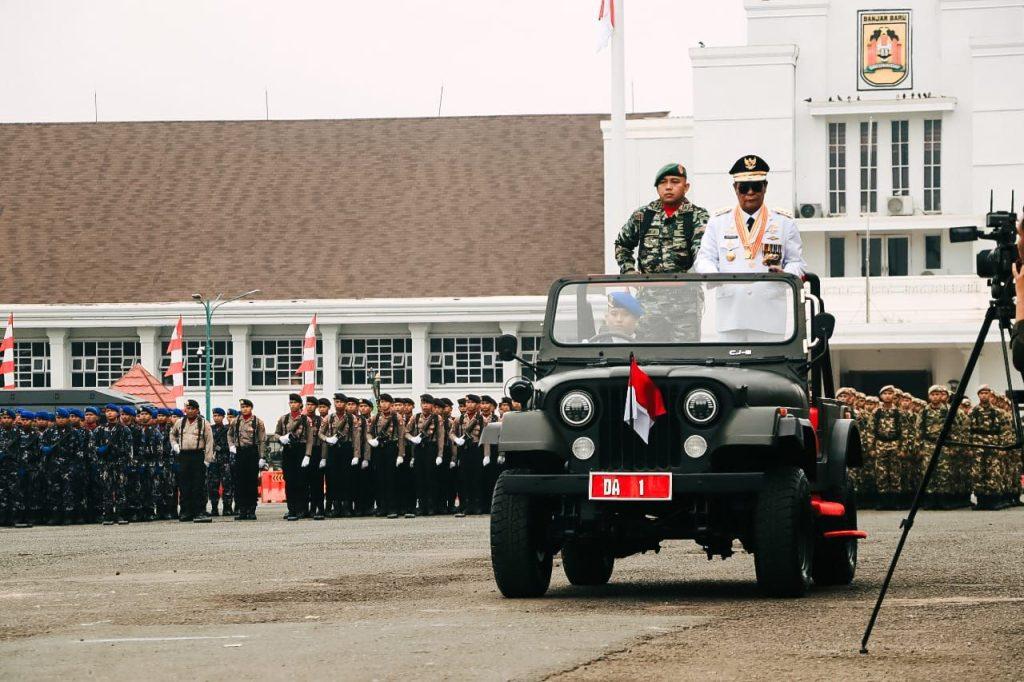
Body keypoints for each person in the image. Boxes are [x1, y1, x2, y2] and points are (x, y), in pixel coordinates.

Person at [694, 155, 806, 342]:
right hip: (731, 316)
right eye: (744, 188)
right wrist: (714, 274)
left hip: (769, 316)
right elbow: (704, 259)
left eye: (756, 186)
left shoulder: (784, 222)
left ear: (765, 187)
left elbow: (797, 263)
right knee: (730, 371)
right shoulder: (719, 221)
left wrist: (785, 274)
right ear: (735, 189)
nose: (750, 192)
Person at [613, 163, 709, 341]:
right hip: (650, 302)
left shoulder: (697, 216)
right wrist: (628, 271)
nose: (669, 186)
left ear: (686, 187)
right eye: (663, 182)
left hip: (685, 302)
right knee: (648, 355)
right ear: (657, 187)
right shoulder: (643, 216)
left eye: (675, 181)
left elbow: (703, 252)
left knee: (685, 357)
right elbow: (622, 244)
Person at [169, 399, 215, 523]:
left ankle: (199, 511)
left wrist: (207, 459)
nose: (189, 411)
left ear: (197, 410)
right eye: (187, 408)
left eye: (192, 409)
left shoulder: (204, 423)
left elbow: (210, 441)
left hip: (198, 456)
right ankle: (186, 512)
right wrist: (175, 445)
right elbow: (172, 435)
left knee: (198, 485)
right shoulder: (180, 422)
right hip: (184, 456)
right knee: (184, 485)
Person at [274, 394, 314, 521]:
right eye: (291, 402)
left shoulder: (305, 420)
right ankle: (291, 509)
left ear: (300, 405)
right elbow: (276, 434)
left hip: (301, 450)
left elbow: (309, 439)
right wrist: (280, 438)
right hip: (288, 451)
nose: (292, 404)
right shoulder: (284, 419)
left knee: (301, 481)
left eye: (295, 402)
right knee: (289, 481)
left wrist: (307, 455)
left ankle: (301, 508)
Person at [228, 398, 266, 520]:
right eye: (242, 407)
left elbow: (262, 440)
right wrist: (231, 446)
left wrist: (262, 457)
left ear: (251, 408)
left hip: (252, 453)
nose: (244, 409)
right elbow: (229, 434)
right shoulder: (236, 421)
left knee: (251, 482)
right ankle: (242, 510)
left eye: (246, 407)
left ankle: (251, 510)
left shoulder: (257, 422)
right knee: (240, 483)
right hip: (240, 453)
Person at [207, 407, 233, 517]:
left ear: (223, 417)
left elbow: (231, 444)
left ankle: (227, 508)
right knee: (213, 486)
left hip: (225, 460)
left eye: (218, 416)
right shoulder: (210, 429)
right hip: (213, 461)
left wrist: (220, 448)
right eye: (214, 416)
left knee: (227, 485)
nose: (216, 418)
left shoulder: (227, 429)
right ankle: (214, 508)